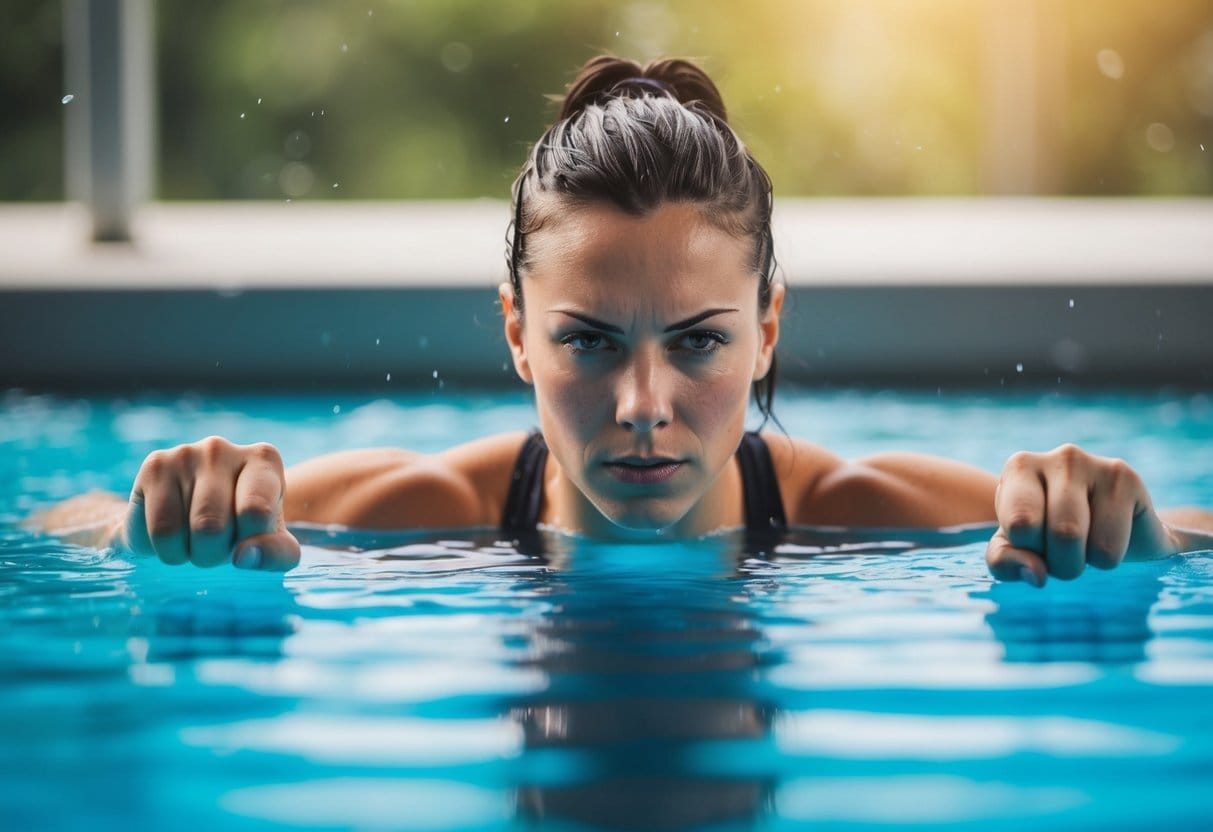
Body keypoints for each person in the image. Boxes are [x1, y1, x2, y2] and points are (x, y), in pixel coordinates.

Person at [27, 55, 1213, 585]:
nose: (642, 407)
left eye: (698, 339)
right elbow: (56, 522)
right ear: (512, 333)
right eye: (586, 340)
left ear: (767, 331)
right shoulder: (429, 512)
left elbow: (1191, 532)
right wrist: (165, 507)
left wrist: (1119, 517)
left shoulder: (854, 513)